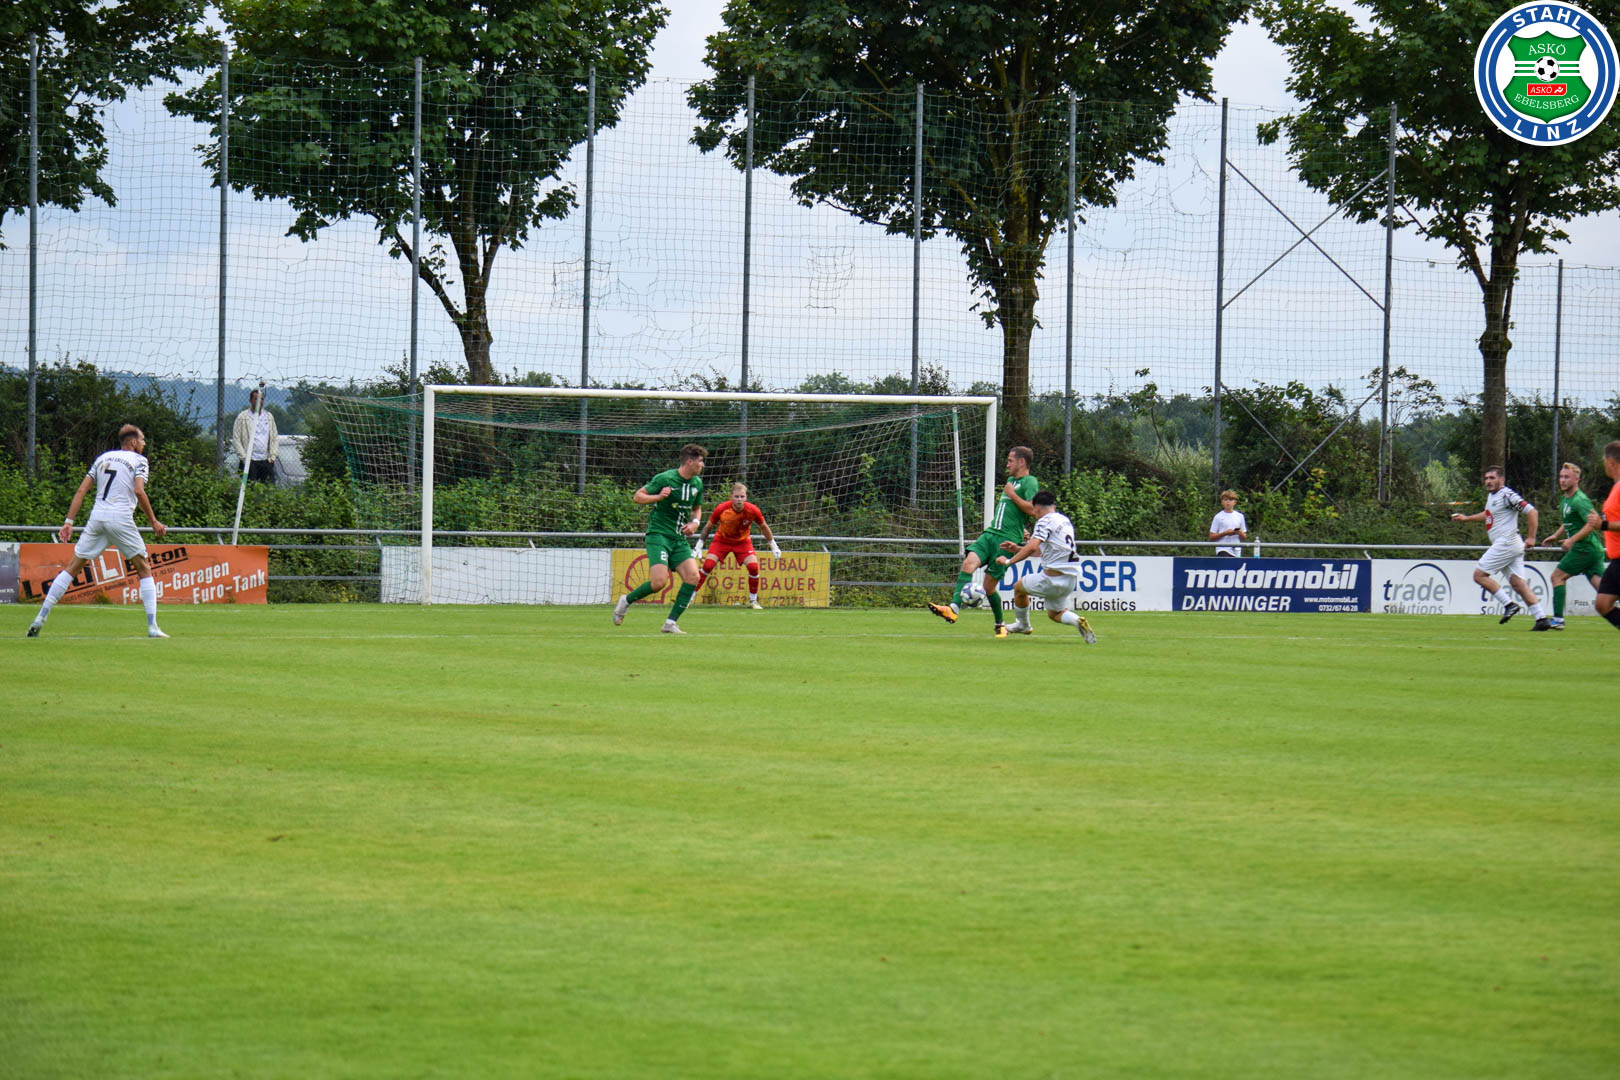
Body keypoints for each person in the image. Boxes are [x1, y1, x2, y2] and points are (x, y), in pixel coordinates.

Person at [27, 425, 169, 639]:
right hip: (120, 518)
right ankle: (152, 627)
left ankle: (40, 617)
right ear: (133, 442)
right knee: (144, 568)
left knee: (72, 568)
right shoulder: (140, 460)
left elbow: (82, 489)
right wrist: (154, 521)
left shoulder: (103, 458)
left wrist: (69, 521)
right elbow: (139, 491)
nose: (144, 443)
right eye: (142, 439)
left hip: (97, 518)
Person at [927, 446, 1038, 632]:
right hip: (990, 533)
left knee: (988, 587)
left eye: (1010, 460)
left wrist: (1012, 496)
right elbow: (1011, 512)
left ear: (1022, 462)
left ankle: (999, 624)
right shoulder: (1011, 481)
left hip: (1006, 540)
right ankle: (953, 608)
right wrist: (1022, 526)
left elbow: (1033, 509)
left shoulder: (1030, 482)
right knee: (968, 564)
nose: (1007, 464)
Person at [613, 443, 706, 634]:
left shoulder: (697, 483)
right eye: (700, 461)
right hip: (659, 535)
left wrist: (695, 523)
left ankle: (670, 623)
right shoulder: (665, 478)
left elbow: (697, 508)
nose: (702, 465)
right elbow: (638, 497)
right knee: (659, 583)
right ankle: (626, 600)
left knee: (693, 576)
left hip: (679, 539)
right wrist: (658, 496)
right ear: (690, 462)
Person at [1450, 465, 1550, 631]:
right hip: (1510, 544)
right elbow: (1488, 514)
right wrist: (1466, 518)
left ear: (1501, 480)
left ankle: (1509, 604)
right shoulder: (1493, 496)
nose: (1488, 481)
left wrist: (1532, 537)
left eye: (1492, 478)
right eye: (1486, 478)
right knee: (1518, 583)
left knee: (1479, 575)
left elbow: (1532, 511)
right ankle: (1541, 619)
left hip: (1507, 542)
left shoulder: (1507, 495)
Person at [993, 490, 1097, 643]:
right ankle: (1077, 621)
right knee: (1055, 614)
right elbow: (1042, 551)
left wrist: (1008, 561)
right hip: (1070, 579)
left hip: (1051, 578)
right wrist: (1017, 549)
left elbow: (1032, 547)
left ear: (1036, 508)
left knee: (1018, 588)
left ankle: (1023, 625)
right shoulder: (1064, 521)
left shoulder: (1044, 521)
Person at [1534, 461, 1605, 629]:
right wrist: (1556, 535)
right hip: (1591, 549)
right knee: (1605, 592)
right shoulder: (1566, 498)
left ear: (1577, 480)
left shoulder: (1580, 500)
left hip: (1584, 548)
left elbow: (1593, 523)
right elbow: (1568, 521)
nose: (1563, 480)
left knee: (1557, 577)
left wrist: (1572, 540)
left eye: (1567, 477)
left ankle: (1558, 620)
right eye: (1561, 477)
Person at [694, 482, 782, 609]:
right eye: (736, 496)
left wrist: (773, 545)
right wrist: (699, 544)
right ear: (731, 497)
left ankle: (753, 601)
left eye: (742, 496)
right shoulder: (722, 508)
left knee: (753, 568)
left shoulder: (753, 510)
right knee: (708, 565)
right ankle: (688, 598)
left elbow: (763, 526)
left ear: (746, 497)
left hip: (742, 542)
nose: (739, 499)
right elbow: (708, 526)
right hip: (722, 540)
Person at [1584, 440, 1620, 633]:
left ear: (1611, 462)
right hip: (1616, 559)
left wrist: (1603, 524)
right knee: (1603, 604)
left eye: (1604, 460)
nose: (1604, 464)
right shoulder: (1615, 487)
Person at [231, 389, 279, 483]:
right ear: (250, 400)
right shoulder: (242, 417)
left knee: (268, 487)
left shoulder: (269, 417)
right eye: (256, 399)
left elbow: (274, 438)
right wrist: (244, 458)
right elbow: (236, 439)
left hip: (266, 461)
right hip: (249, 461)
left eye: (261, 399)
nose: (259, 402)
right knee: (249, 487)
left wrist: (272, 457)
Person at [1209, 490, 1247, 557]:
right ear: (1222, 502)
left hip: (1236, 550)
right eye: (1225, 500)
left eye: (1230, 500)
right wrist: (1225, 533)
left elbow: (1244, 537)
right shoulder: (1218, 516)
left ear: (1235, 502)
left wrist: (1239, 532)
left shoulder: (1240, 516)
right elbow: (1211, 536)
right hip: (1222, 549)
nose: (1228, 502)